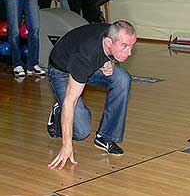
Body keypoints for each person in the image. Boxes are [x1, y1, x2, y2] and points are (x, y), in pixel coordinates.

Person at [47, 20, 136, 170]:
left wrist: (110, 62)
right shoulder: (86, 55)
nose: (129, 52)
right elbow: (70, 102)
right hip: (61, 72)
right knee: (81, 131)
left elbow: (106, 52)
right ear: (109, 42)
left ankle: (105, 137)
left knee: (122, 79)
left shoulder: (113, 32)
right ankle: (58, 112)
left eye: (132, 46)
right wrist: (66, 145)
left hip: (83, 64)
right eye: (125, 46)